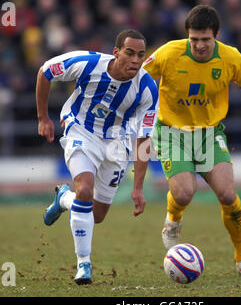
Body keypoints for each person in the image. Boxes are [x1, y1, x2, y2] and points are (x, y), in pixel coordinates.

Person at [143, 5, 241, 276]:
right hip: (172, 132)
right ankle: (173, 219)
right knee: (184, 193)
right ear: (187, 35)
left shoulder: (231, 57)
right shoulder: (168, 53)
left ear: (217, 36)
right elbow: (137, 78)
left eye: (205, 40)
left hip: (210, 133)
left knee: (227, 194)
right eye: (194, 39)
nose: (199, 45)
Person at [36, 29, 159, 285]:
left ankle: (63, 199)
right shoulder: (88, 63)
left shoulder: (147, 87)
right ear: (116, 52)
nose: (136, 60)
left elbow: (144, 138)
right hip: (81, 130)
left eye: (140, 55)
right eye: (129, 53)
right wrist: (43, 117)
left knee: (97, 215)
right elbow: (45, 72)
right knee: (84, 190)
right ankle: (83, 263)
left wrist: (138, 187)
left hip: (117, 143)